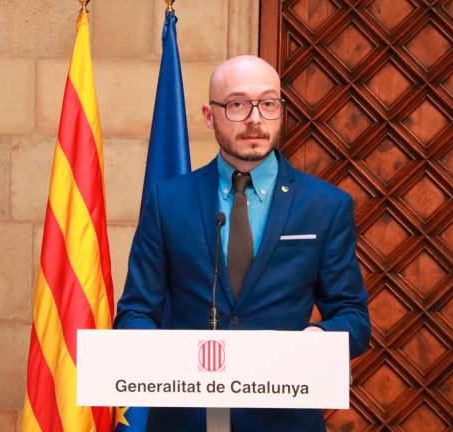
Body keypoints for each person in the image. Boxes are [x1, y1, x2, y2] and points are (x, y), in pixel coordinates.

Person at [114, 55, 371, 432]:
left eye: (268, 104)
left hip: (284, 420)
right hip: (187, 418)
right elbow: (135, 311)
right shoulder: (168, 201)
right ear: (208, 115)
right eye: (237, 104)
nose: (254, 119)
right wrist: (164, 357)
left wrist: (320, 338)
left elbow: (354, 317)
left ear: (280, 112)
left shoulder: (325, 206)